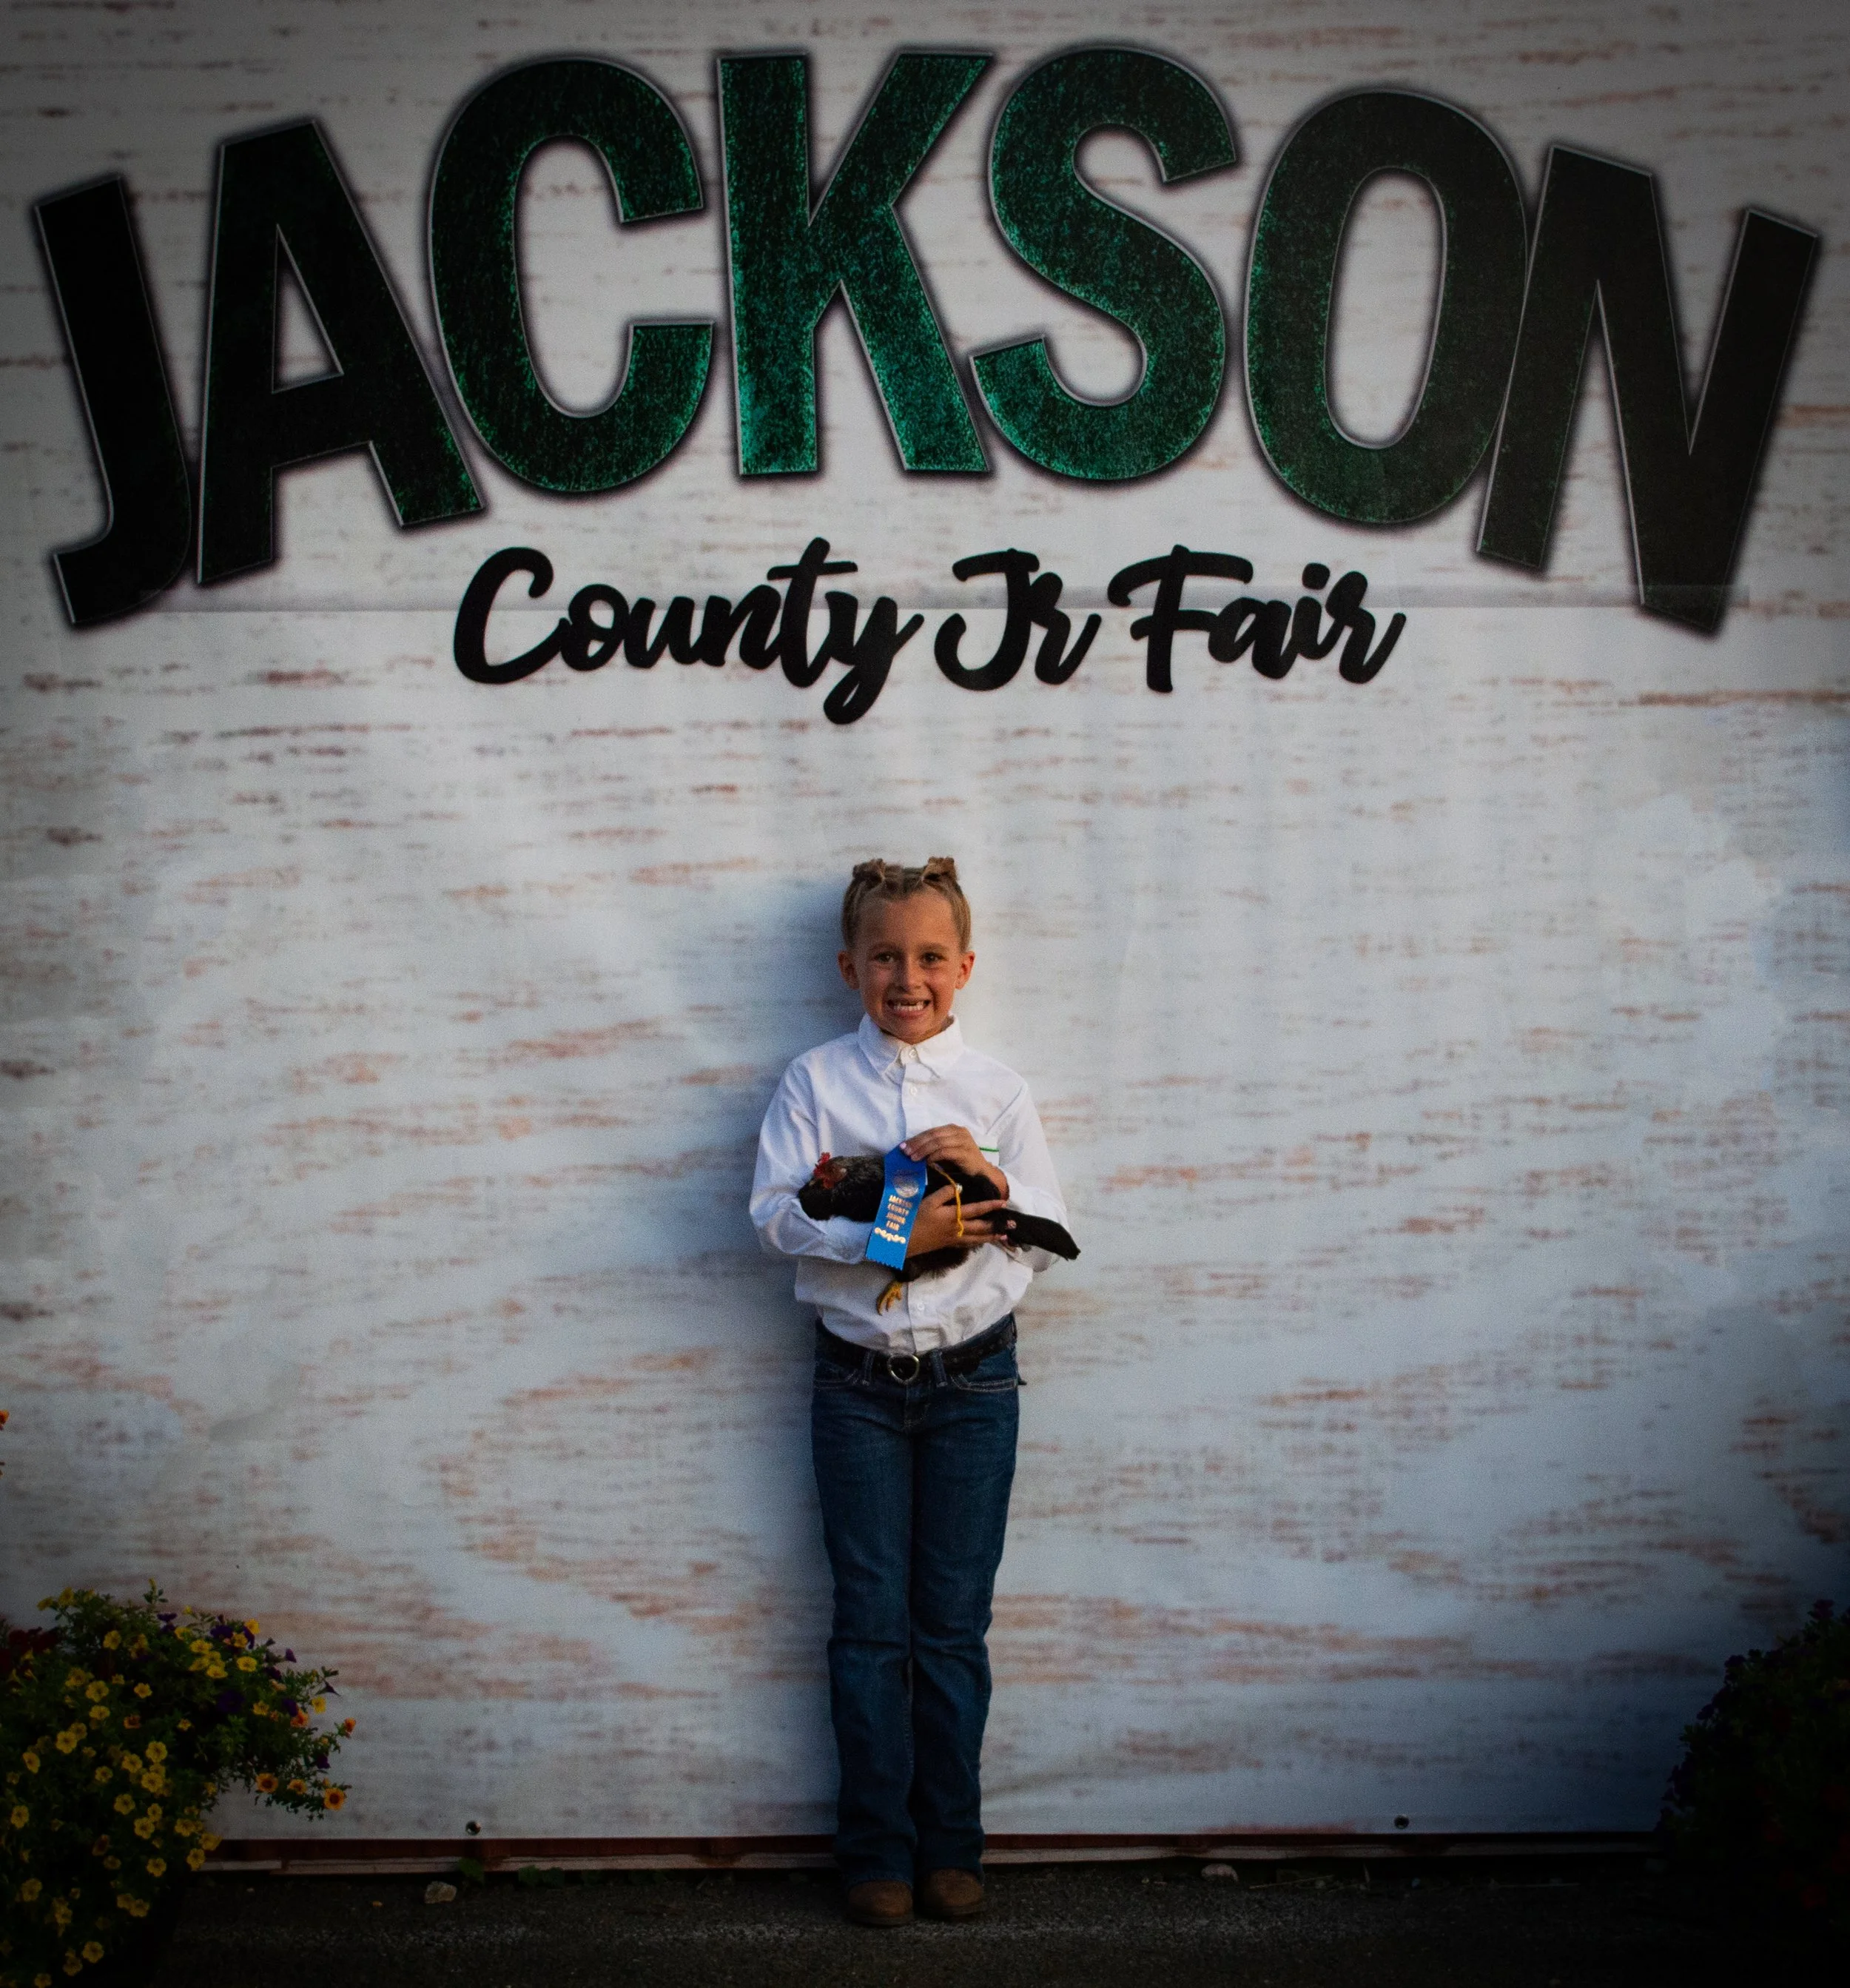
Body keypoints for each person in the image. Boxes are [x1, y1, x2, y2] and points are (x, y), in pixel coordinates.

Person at [750, 856, 1070, 1928]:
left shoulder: (998, 1093)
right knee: (869, 1625)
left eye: (931, 956)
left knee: (953, 1628)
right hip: (856, 1388)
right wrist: (894, 1238)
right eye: (885, 957)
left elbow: (1046, 1238)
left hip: (976, 1383)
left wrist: (990, 1179)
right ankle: (876, 1853)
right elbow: (774, 1219)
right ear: (850, 967)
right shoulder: (813, 1084)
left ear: (965, 967)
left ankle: (952, 1847)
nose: (908, 977)